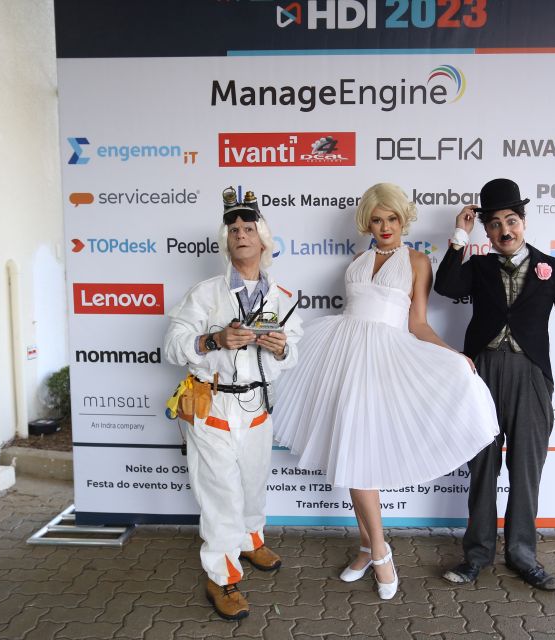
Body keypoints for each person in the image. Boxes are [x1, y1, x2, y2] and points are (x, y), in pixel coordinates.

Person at [273, 183, 499, 600]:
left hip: (382, 362)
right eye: (376, 220)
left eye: (392, 218)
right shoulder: (356, 262)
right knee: (351, 454)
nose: (385, 226)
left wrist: (452, 355)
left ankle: (376, 551)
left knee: (359, 459)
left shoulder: (417, 261)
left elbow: (418, 323)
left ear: (402, 219)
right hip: (341, 358)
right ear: (367, 223)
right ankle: (372, 549)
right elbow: (352, 313)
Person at [433, 178, 555, 591]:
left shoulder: (553, 269)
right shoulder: (478, 267)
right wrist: (459, 236)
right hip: (481, 375)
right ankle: (477, 555)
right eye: (494, 224)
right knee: (482, 468)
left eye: (511, 221)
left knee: (527, 470)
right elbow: (445, 286)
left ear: (524, 222)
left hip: (531, 377)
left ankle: (522, 556)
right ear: (486, 230)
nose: (504, 231)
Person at [164, 187, 303, 620]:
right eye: (234, 230)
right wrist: (214, 340)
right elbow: (172, 345)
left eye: (249, 229)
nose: (241, 235)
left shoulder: (281, 295)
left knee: (253, 484)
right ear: (226, 241)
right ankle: (222, 577)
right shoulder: (205, 293)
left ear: (264, 240)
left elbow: (294, 352)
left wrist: (281, 348)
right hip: (212, 406)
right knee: (221, 495)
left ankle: (251, 541)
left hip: (257, 405)